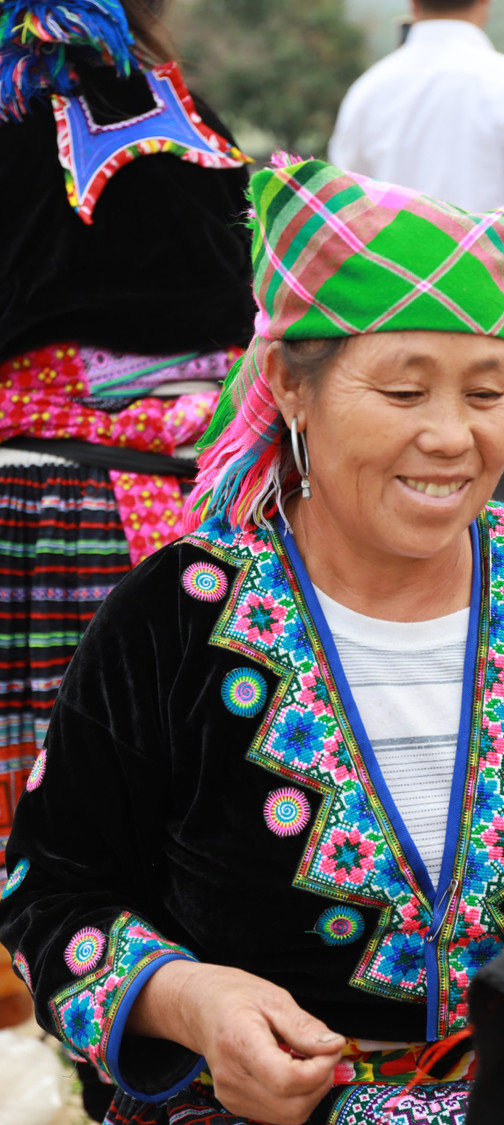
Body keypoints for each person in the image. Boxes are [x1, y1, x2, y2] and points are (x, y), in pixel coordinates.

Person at [1, 156, 504, 1125]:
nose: (452, 437)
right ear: (289, 385)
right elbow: (50, 895)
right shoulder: (176, 615)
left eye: (487, 393)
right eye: (404, 392)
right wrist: (191, 1002)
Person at [0, 0, 254, 880]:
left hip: (40, 510)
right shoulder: (192, 118)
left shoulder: (11, 111)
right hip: (211, 509)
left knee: (46, 810)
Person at [328, 0, 504, 504]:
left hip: (389, 313)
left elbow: (343, 216)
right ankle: (491, 556)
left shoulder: (369, 91)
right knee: (495, 470)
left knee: (398, 471)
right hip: (496, 310)